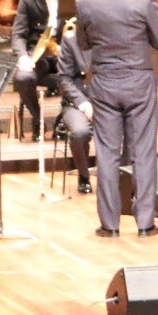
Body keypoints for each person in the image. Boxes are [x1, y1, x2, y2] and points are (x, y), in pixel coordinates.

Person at [78, 0, 158, 237]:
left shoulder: (85, 0)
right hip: (139, 82)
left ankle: (109, 225)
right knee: (143, 151)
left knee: (107, 153)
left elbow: (82, 43)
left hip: (105, 81)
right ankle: (145, 223)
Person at [12, 0, 63, 141]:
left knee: (82, 73)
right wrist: (23, 57)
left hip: (63, 52)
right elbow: (18, 34)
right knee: (23, 78)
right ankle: (38, 118)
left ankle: (63, 121)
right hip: (38, 54)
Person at [56, 12, 96, 194]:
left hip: (107, 100)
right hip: (77, 102)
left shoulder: (112, 35)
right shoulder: (70, 39)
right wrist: (84, 103)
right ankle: (84, 174)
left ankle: (123, 178)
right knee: (79, 132)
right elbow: (64, 79)